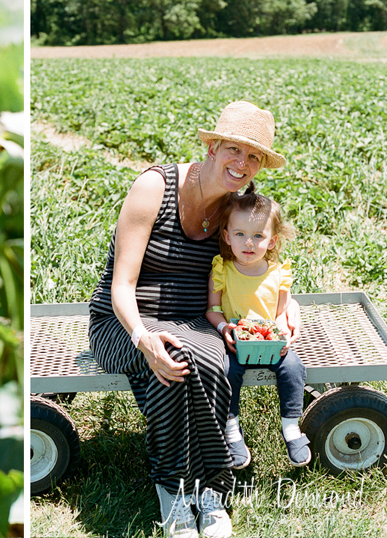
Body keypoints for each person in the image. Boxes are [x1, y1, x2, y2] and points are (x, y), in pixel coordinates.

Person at [88, 101, 301, 538]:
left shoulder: (233, 210)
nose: (242, 164)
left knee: (212, 362)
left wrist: (289, 306)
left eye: (253, 156)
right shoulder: (154, 187)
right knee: (171, 358)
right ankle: (174, 490)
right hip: (122, 320)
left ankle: (208, 491)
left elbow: (261, 265)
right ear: (213, 148)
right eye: (234, 150)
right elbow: (121, 287)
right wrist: (143, 337)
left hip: (194, 320)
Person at [206, 185, 311, 469]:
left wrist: (283, 333)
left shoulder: (278, 272)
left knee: (293, 368)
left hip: (269, 341)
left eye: (258, 236)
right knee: (226, 371)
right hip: (236, 342)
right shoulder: (222, 269)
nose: (248, 243)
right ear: (227, 237)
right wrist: (224, 328)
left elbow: (281, 311)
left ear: (273, 241)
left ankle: (291, 428)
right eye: (239, 234)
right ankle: (231, 430)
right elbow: (213, 310)